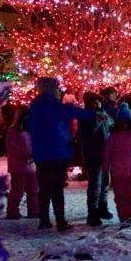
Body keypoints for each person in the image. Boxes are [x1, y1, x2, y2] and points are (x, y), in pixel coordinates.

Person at [27, 77, 99, 231]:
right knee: (57, 188)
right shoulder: (55, 105)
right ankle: (60, 221)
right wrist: (94, 113)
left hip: (41, 154)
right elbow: (76, 113)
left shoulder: (35, 106)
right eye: (57, 88)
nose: (59, 91)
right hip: (58, 153)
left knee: (44, 189)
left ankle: (44, 220)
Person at [104, 112, 131, 224]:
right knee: (120, 196)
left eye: (126, 122)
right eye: (121, 122)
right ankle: (123, 216)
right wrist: (106, 166)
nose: (124, 124)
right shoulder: (114, 136)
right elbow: (108, 152)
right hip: (118, 172)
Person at [78, 92, 113, 226]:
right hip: (93, 154)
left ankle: (102, 207)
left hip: (105, 154)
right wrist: (98, 120)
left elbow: (110, 129)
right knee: (95, 184)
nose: (97, 104)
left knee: (105, 183)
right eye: (94, 102)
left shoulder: (105, 114)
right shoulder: (86, 117)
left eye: (98, 101)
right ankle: (92, 212)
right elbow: (86, 134)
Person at [5, 106, 38, 220]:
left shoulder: (29, 130)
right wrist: (26, 153)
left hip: (31, 165)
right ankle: (12, 211)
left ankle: (34, 210)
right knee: (17, 191)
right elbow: (11, 147)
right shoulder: (13, 130)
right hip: (19, 166)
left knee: (33, 189)